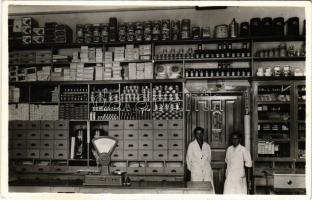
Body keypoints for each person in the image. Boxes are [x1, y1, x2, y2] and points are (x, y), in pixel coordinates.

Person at [186, 127, 214, 192]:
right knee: (196, 191)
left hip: (206, 171)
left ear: (203, 134)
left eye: (201, 133)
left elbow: (209, 159)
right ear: (195, 135)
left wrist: (204, 166)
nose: (199, 135)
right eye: (197, 134)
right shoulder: (191, 145)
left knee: (207, 190)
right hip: (196, 172)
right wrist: (195, 169)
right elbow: (188, 160)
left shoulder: (207, 146)